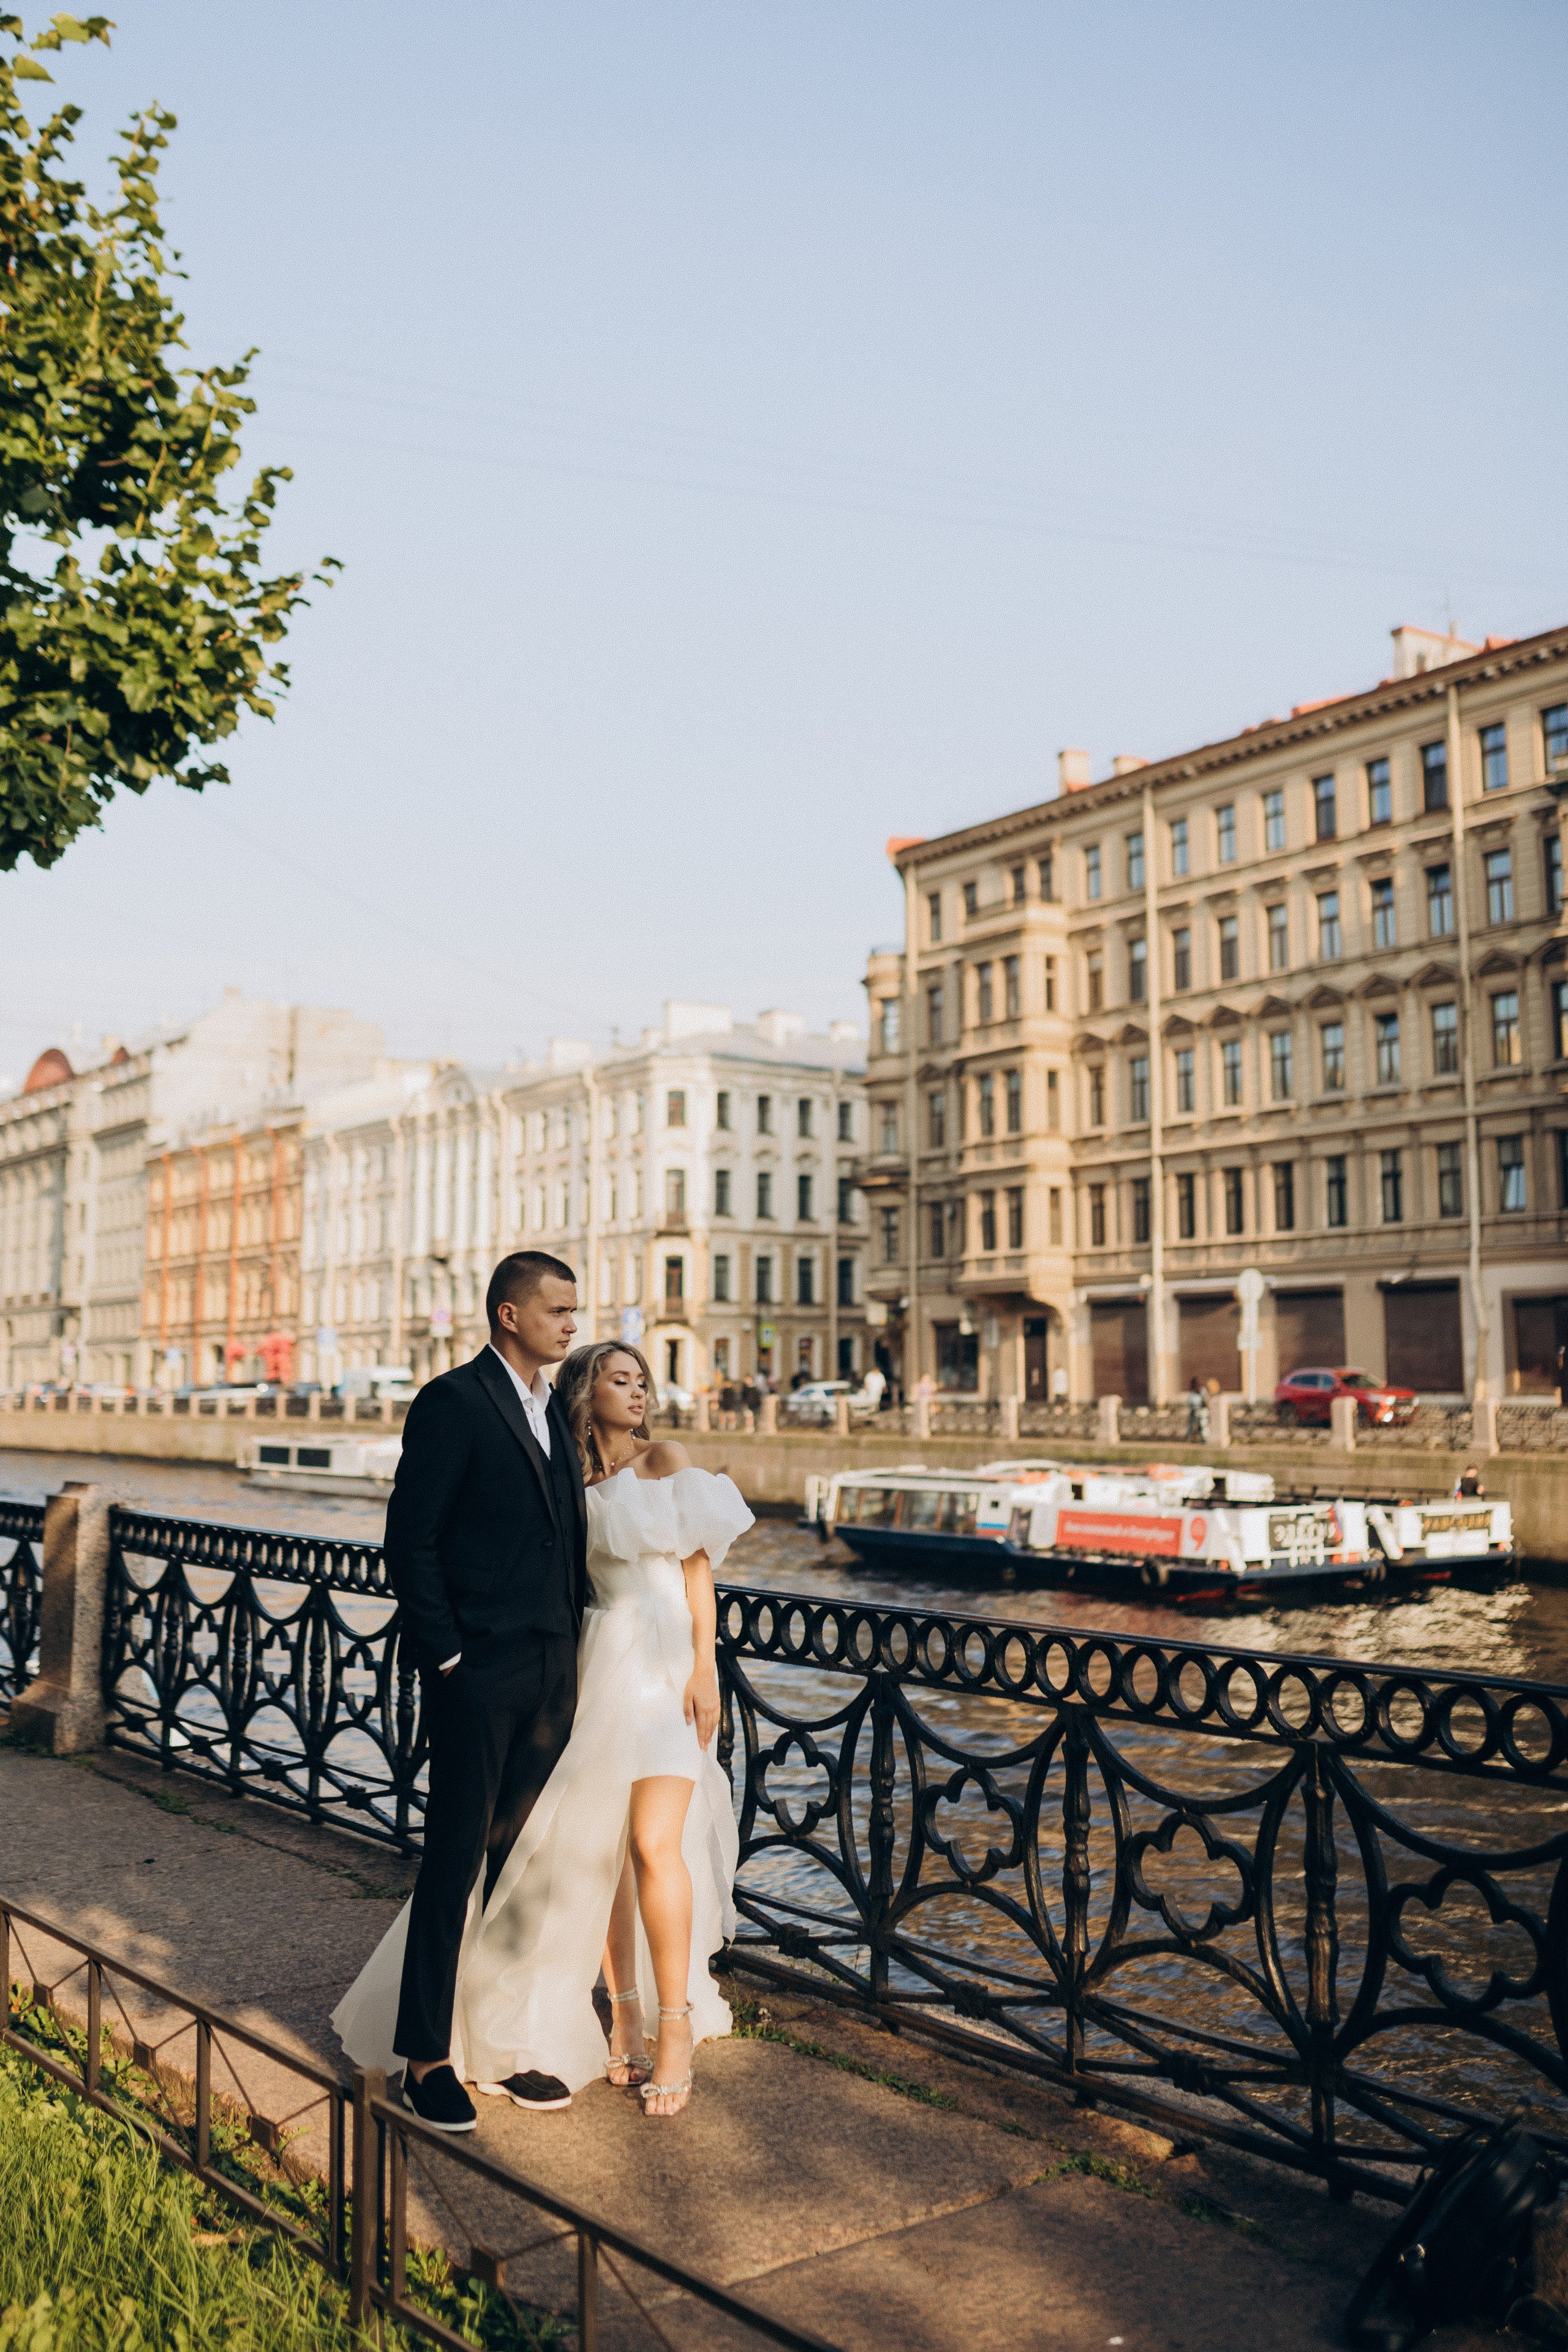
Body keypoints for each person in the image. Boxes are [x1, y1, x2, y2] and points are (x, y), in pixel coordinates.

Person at [334, 1336, 750, 2124]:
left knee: (657, 1845)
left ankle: (675, 2028)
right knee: (593, 1848)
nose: (636, 1393)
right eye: (619, 1379)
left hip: (664, 1672)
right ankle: (620, 2011)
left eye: (642, 1381)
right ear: (587, 1389)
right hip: (594, 1667)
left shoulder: (666, 1457)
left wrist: (706, 1670)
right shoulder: (567, 1467)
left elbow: (699, 1573)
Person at [336, 1251, 586, 2134]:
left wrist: (572, 1654)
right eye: (558, 1310)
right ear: (509, 1315)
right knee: (455, 1863)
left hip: (553, 1669)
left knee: (520, 1869)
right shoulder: (453, 1401)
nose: (572, 1324)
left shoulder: (555, 1406)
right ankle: (425, 2059)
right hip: (478, 1672)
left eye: (575, 1310)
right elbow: (412, 1540)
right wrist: (447, 1657)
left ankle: (500, 2045)